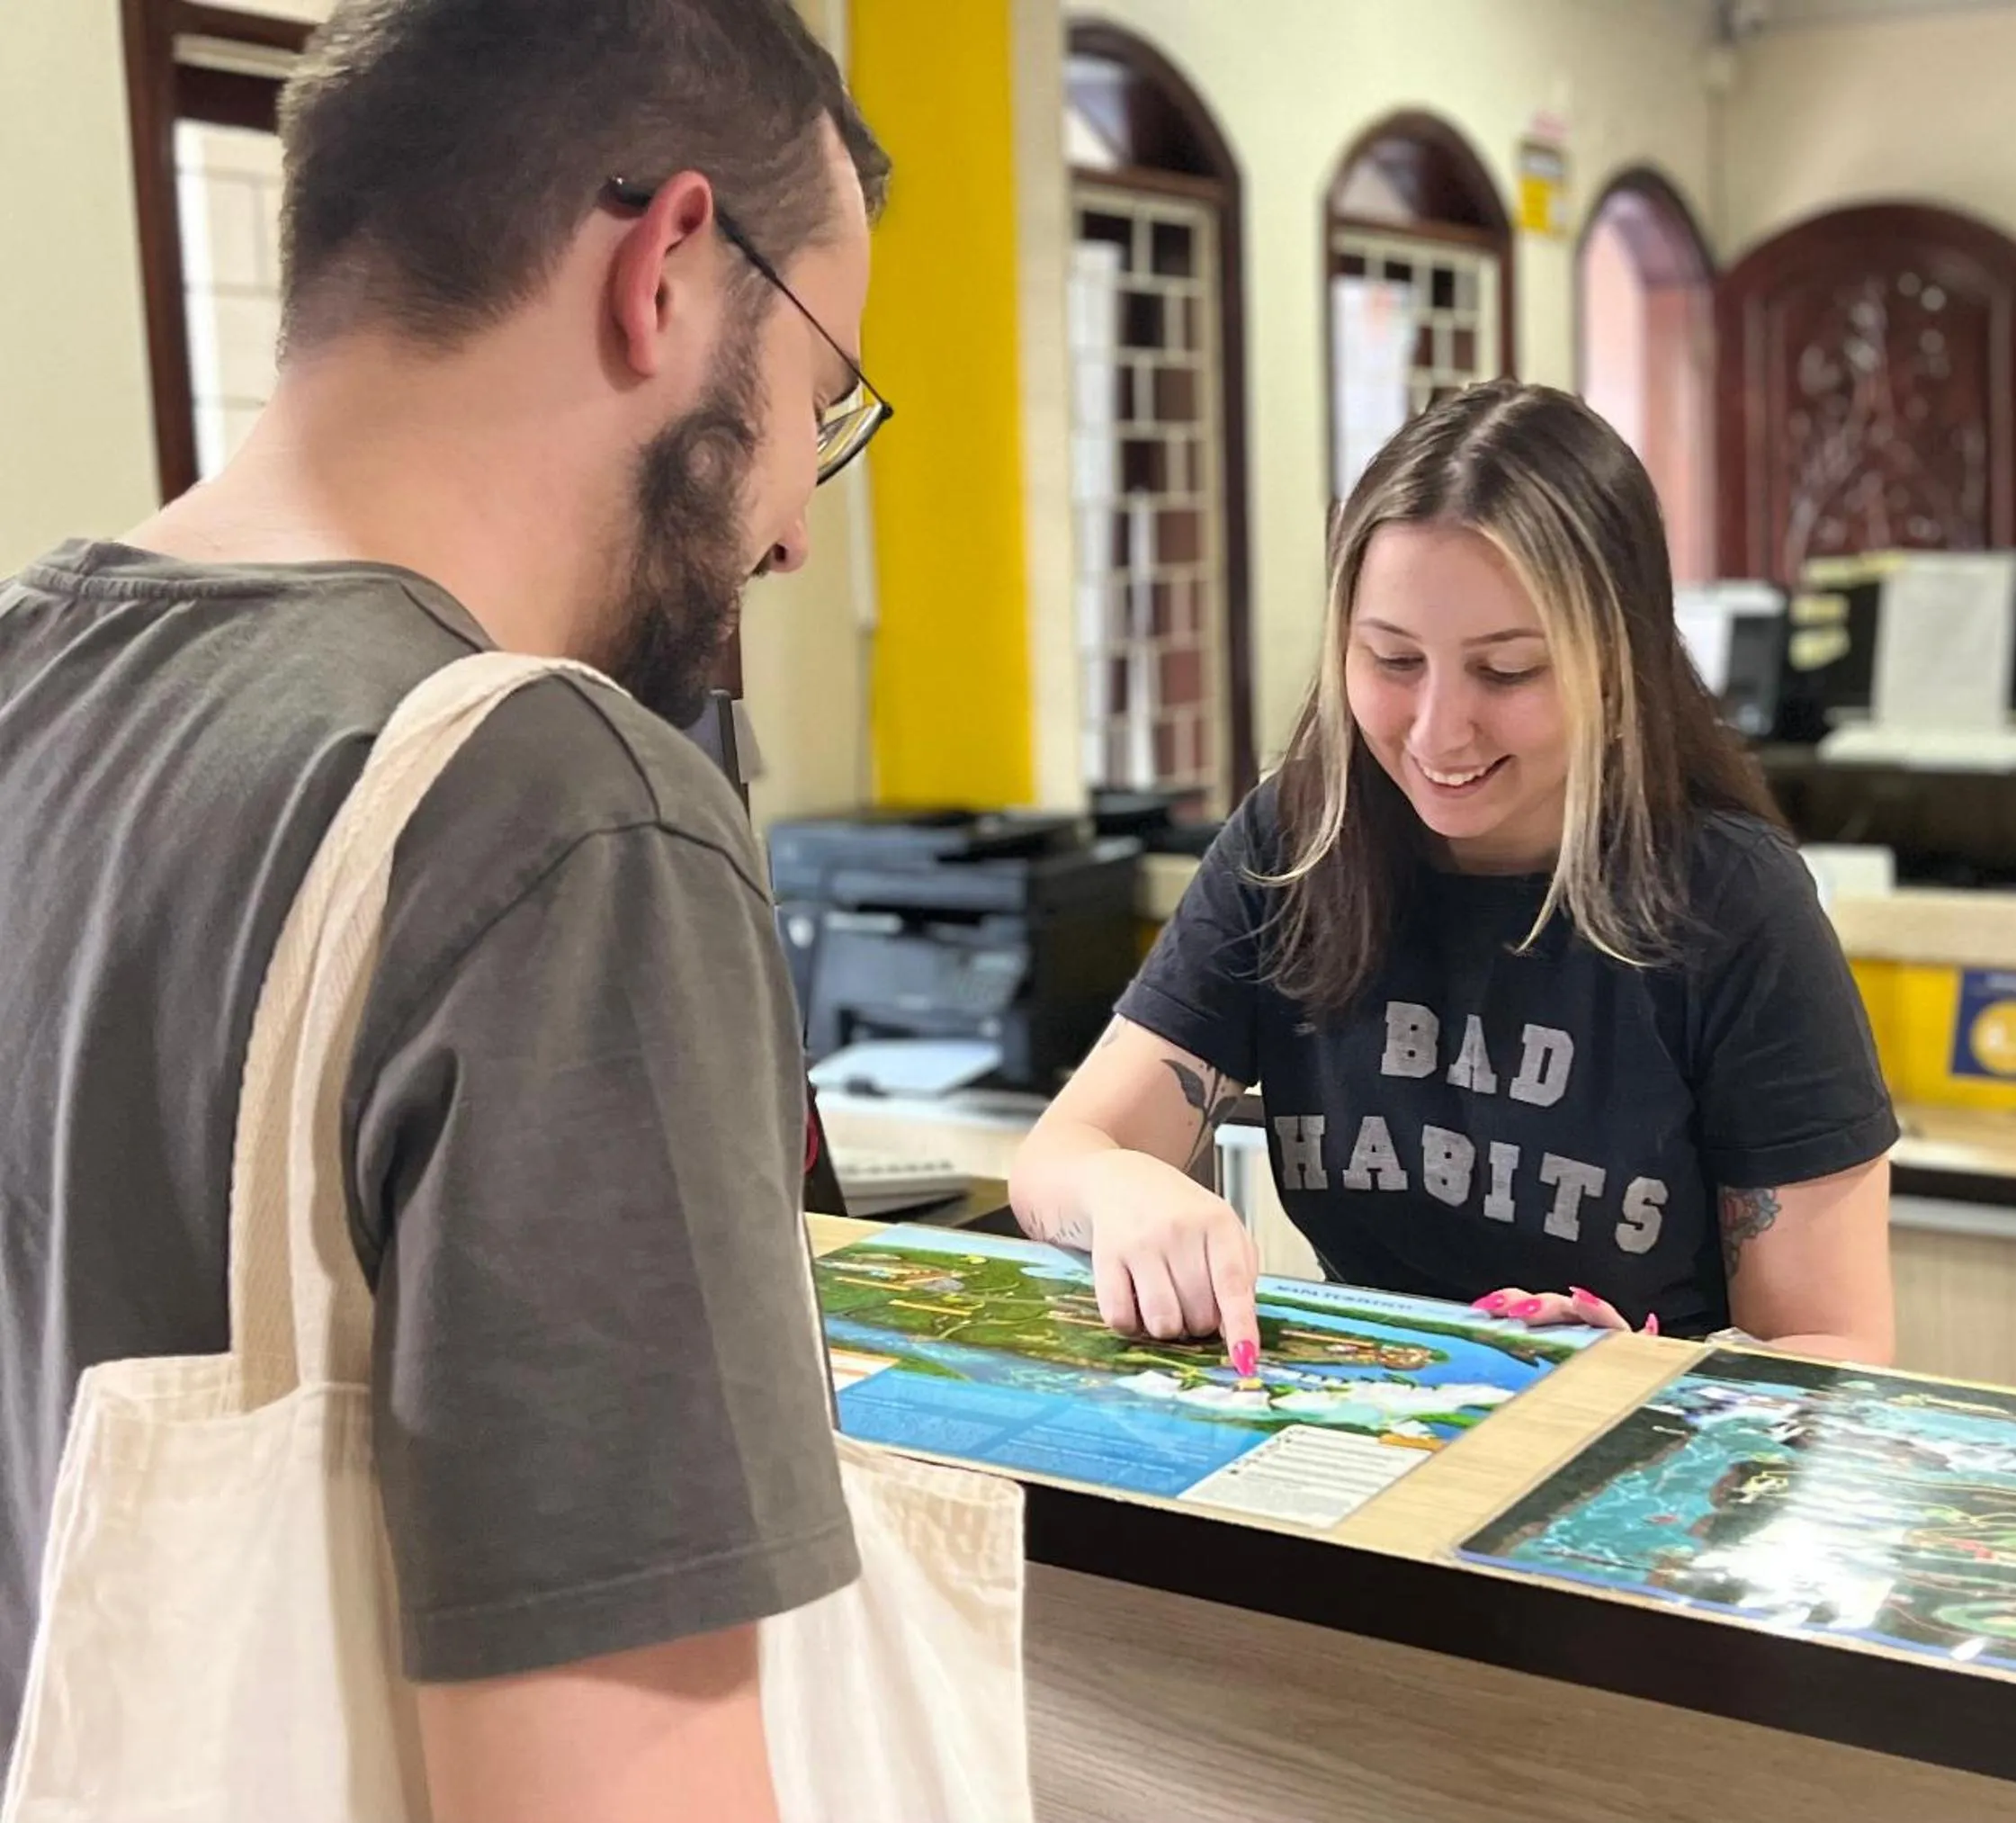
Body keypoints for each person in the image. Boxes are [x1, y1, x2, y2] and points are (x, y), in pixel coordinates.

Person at [0, 3, 889, 1815]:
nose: (796, 524)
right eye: (822, 400)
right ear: (666, 264)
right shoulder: (571, 821)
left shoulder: (28, 684)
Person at [1010, 382, 1897, 1370]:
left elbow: (1835, 1348)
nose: (1437, 731)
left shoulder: (1729, 901)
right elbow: (1058, 1156)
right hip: (1364, 1442)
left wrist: (1651, 1376)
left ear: (1618, 664)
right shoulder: (1303, 837)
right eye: (1391, 659)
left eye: (1506, 671)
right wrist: (1123, 1190)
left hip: (1638, 1480)